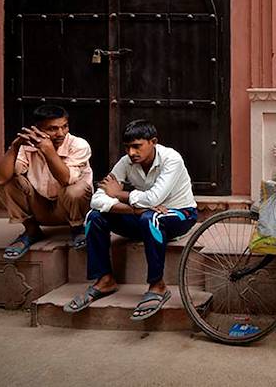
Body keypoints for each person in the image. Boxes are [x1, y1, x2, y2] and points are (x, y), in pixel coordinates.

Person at [64, 119, 197, 321]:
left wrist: (121, 194)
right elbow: (98, 198)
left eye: (137, 146)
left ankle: (158, 285)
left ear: (153, 142)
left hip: (179, 215)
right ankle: (105, 279)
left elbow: (153, 199)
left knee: (151, 217)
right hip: (142, 216)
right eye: (127, 147)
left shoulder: (172, 159)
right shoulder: (127, 162)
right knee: (95, 216)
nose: (131, 152)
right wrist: (132, 210)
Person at [0, 105, 93, 260]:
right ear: (37, 130)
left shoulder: (78, 145)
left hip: (68, 208)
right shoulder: (27, 146)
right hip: (40, 208)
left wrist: (48, 150)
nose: (61, 133)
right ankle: (31, 231)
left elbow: (66, 180)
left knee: (76, 189)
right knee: (8, 180)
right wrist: (15, 147)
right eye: (52, 129)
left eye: (64, 126)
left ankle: (78, 229)